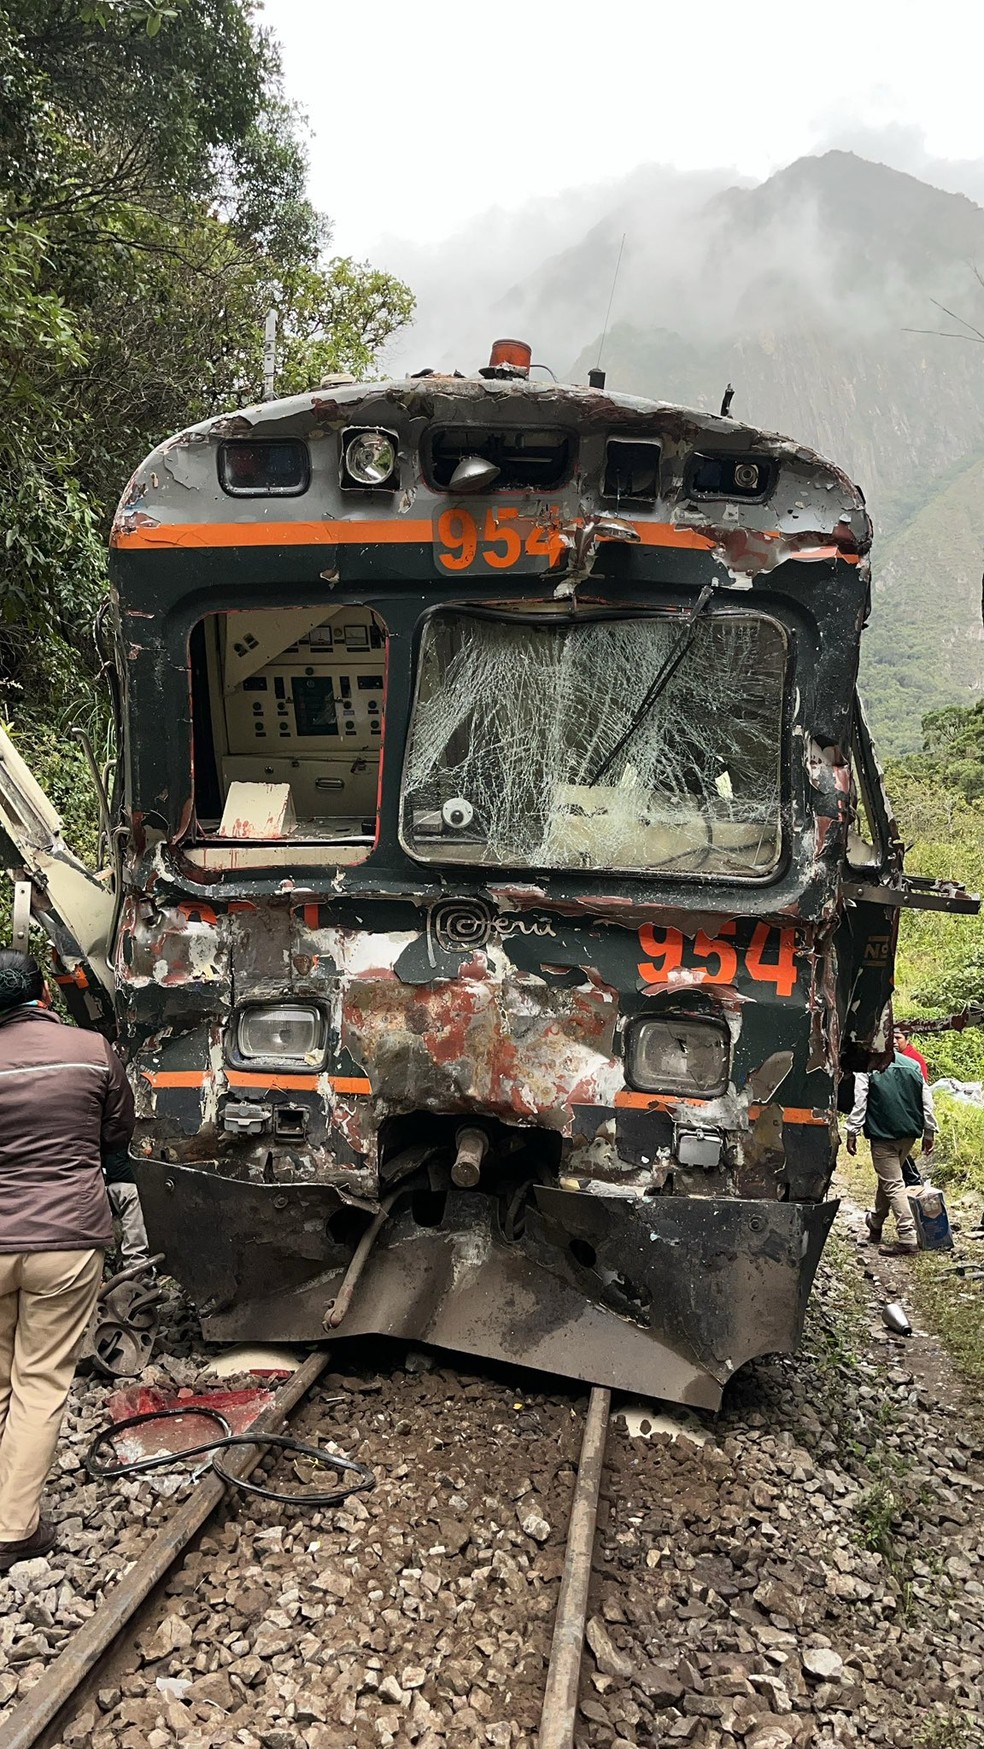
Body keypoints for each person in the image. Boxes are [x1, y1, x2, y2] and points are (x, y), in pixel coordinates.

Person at [0, 950, 134, 1571]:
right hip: (66, 1237)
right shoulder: (91, 1050)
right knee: (40, 1380)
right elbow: (116, 1134)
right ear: (45, 995)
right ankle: (13, 1528)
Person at [846, 1047, 938, 1256]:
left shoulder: (868, 1066)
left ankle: (907, 1236)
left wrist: (852, 1131)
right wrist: (929, 1131)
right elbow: (926, 1100)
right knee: (888, 1178)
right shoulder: (912, 1065)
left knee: (893, 1184)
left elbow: (860, 1101)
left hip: (883, 1134)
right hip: (908, 1134)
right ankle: (875, 1222)